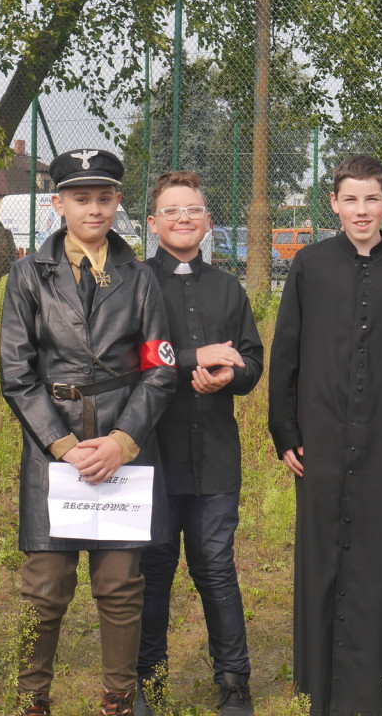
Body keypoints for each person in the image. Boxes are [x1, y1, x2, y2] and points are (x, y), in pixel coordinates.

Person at [0, 149, 176, 716]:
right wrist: (65, 446)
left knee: (122, 585)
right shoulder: (28, 275)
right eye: (80, 198)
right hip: (55, 452)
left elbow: (160, 368)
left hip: (122, 448)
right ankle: (32, 700)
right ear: (58, 204)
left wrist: (123, 442)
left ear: (117, 202)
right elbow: (17, 374)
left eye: (104, 197)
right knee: (44, 585)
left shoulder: (142, 277)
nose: (93, 209)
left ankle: (119, 698)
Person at [268, 154, 382, 716]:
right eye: (350, 199)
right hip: (321, 433)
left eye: (371, 199)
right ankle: (319, 684)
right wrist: (284, 428)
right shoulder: (310, 265)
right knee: (320, 556)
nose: (361, 210)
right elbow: (286, 351)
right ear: (334, 204)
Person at [139, 171, 263, 716]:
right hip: (151, 455)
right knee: (154, 569)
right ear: (153, 223)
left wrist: (229, 379)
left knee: (216, 567)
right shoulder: (135, 283)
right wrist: (195, 358)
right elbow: (129, 356)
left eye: (193, 209)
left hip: (214, 454)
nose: (184, 218)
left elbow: (252, 361)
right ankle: (148, 679)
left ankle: (234, 682)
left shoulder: (228, 288)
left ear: (208, 220)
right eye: (172, 210)